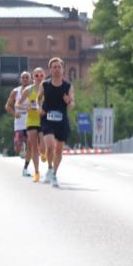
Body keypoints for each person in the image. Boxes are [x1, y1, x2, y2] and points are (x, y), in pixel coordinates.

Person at [39, 57, 74, 188]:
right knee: (50, 146)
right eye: (54, 67)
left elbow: (72, 105)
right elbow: (37, 99)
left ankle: (53, 173)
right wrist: (38, 108)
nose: (57, 69)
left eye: (59, 67)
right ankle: (49, 167)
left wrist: (69, 101)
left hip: (61, 120)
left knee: (59, 150)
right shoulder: (45, 84)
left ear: (63, 69)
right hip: (47, 118)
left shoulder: (68, 86)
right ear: (50, 69)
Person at [5, 71, 32, 176]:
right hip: (19, 122)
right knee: (17, 149)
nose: (25, 79)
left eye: (27, 77)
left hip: (31, 121)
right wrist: (14, 113)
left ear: (30, 79)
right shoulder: (15, 91)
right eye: (23, 77)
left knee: (31, 145)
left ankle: (25, 168)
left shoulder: (34, 91)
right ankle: (22, 147)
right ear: (20, 79)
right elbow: (7, 106)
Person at [22, 68, 45, 182]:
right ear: (33, 77)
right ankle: (36, 172)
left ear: (44, 76)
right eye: (36, 75)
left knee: (43, 145)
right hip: (31, 120)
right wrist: (27, 107)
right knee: (34, 147)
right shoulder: (28, 90)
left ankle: (44, 153)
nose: (39, 77)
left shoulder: (47, 89)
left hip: (43, 120)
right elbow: (18, 104)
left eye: (41, 75)